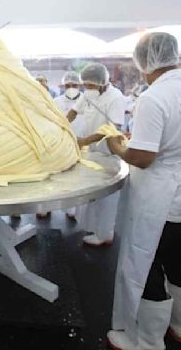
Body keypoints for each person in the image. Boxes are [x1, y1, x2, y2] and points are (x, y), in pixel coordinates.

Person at [106, 33, 181, 349]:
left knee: (147, 263)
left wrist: (118, 148)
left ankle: (148, 340)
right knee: (179, 262)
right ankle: (180, 326)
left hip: (160, 198)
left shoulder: (152, 98)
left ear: (143, 61)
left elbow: (143, 158)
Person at [66, 63, 125, 246]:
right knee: (95, 195)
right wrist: (62, 124)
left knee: (107, 197)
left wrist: (84, 141)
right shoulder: (87, 95)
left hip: (109, 152)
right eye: (86, 85)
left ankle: (105, 234)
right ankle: (94, 228)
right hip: (93, 152)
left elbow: (112, 129)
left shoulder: (115, 98)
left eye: (91, 85)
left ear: (103, 82)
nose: (87, 88)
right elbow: (74, 111)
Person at [54, 70, 86, 220]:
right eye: (68, 85)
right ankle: (57, 206)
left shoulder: (87, 101)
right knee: (62, 176)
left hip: (83, 143)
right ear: (63, 86)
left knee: (79, 176)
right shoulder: (57, 102)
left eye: (74, 85)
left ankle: (74, 210)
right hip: (63, 143)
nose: (71, 87)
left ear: (80, 85)